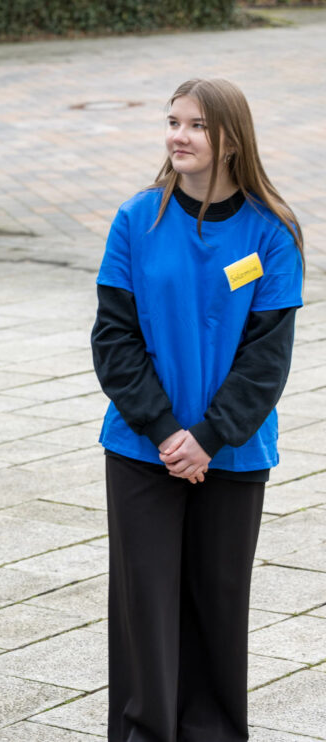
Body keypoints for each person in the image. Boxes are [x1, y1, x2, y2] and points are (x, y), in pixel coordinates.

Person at [91, 78, 303, 742]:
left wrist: (208, 437)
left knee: (217, 611)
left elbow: (266, 359)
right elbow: (113, 339)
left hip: (233, 454)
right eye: (172, 121)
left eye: (196, 126)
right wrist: (165, 431)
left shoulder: (274, 233)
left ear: (231, 140)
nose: (177, 136)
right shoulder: (136, 220)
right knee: (144, 613)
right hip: (141, 451)